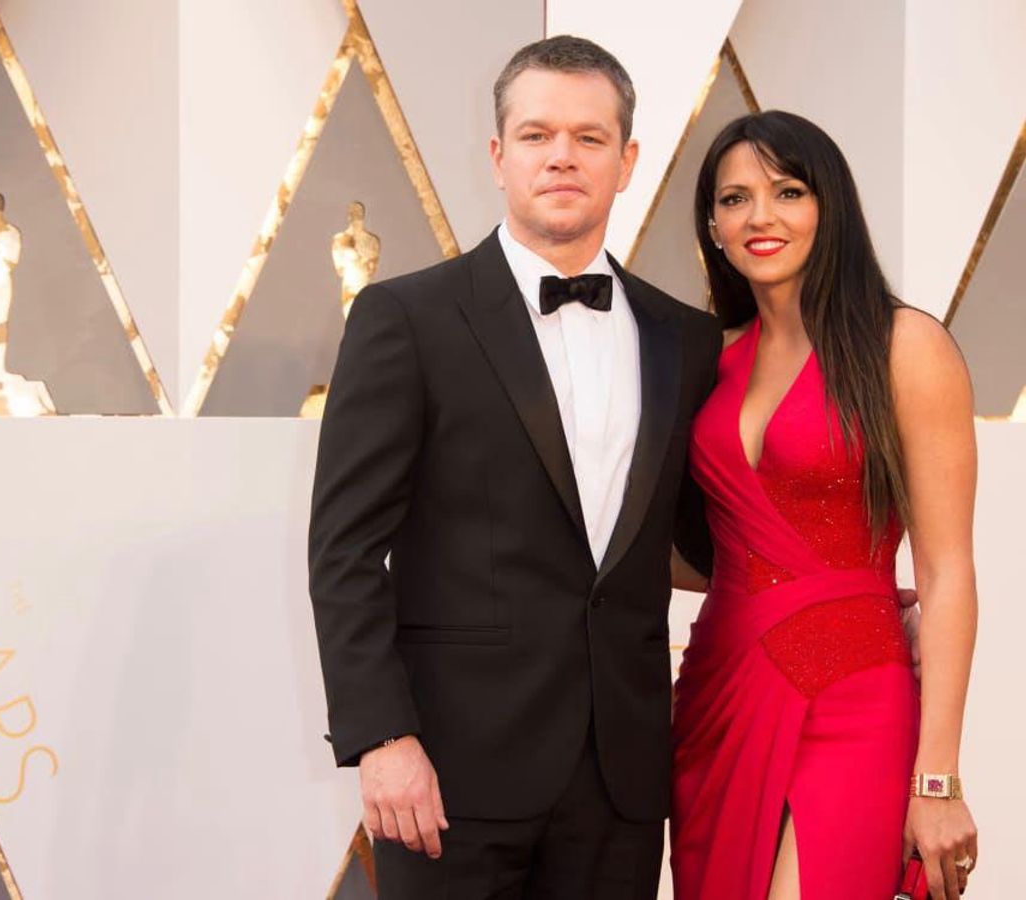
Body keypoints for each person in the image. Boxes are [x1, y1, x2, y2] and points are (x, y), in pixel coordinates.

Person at [308, 36, 721, 897]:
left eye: (588, 137)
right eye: (536, 135)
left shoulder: (684, 336)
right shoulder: (406, 318)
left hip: (623, 779)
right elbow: (344, 551)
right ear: (499, 158)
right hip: (448, 775)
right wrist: (382, 739)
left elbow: (702, 537)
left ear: (627, 159)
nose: (561, 156)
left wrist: (851, 588)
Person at [669, 110, 978, 900]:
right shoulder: (712, 357)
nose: (760, 216)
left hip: (853, 699)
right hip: (718, 695)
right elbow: (711, 549)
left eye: (787, 191)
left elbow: (946, 572)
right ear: (712, 223)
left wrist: (936, 778)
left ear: (828, 205)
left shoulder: (905, 345)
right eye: (734, 199)